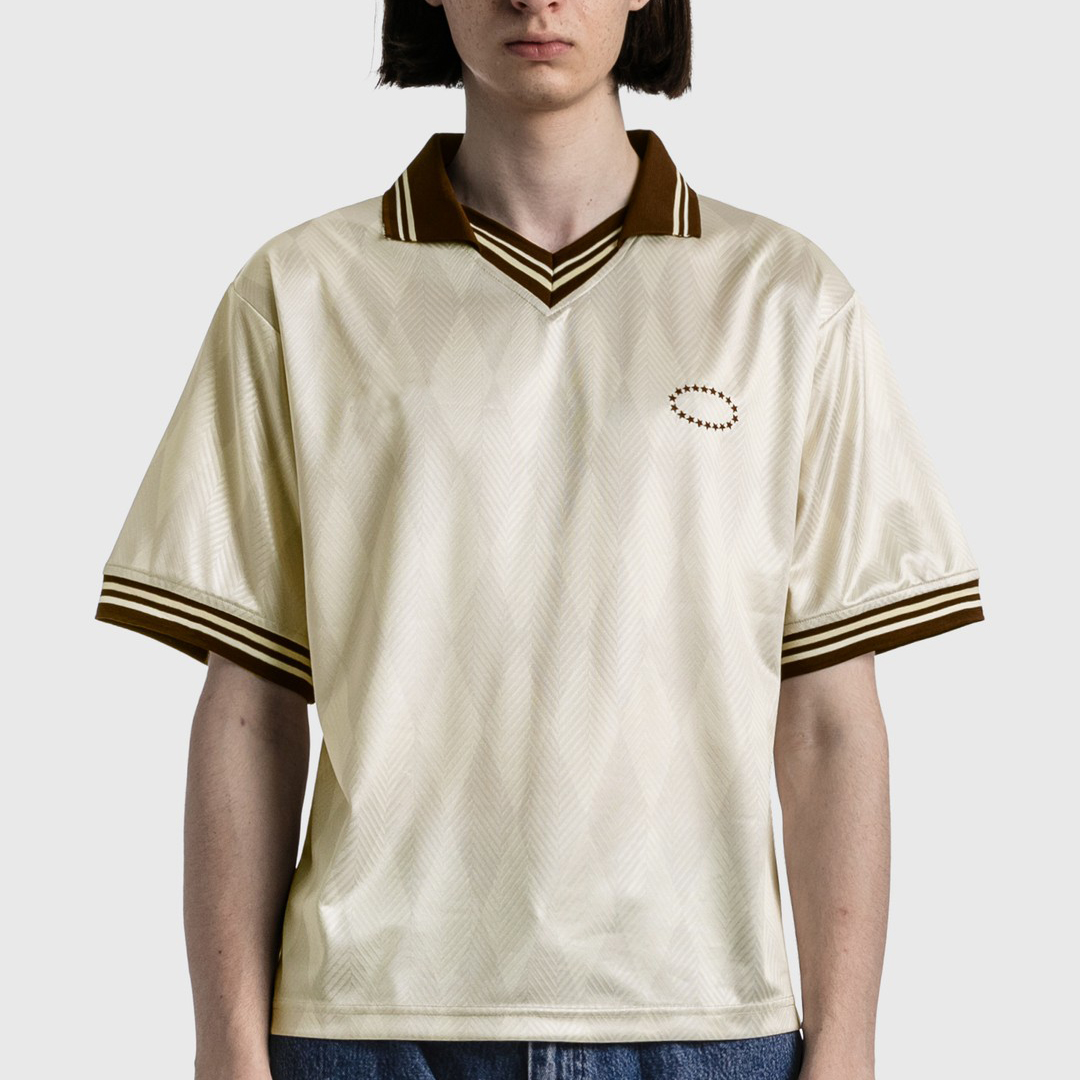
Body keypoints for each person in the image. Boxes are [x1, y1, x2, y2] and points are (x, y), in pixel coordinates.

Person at [93, 2, 986, 1079]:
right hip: (368, 1022)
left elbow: (830, 720)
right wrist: (225, 1046)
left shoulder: (789, 300)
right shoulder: (297, 293)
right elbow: (251, 710)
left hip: (701, 1022)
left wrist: (849, 1046)